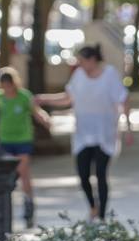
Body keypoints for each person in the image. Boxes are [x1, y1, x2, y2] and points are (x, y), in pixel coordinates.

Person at [40, 44, 132, 220]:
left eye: (81, 61)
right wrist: (44, 99)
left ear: (92, 60)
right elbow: (68, 98)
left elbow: (124, 99)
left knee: (101, 174)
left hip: (104, 133)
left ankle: (103, 216)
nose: (79, 64)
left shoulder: (110, 74)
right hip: (83, 134)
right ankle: (92, 206)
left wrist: (127, 127)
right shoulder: (79, 75)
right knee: (83, 175)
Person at [0, 68, 51, 228]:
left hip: (22, 140)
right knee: (6, 177)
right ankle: (4, 207)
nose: (7, 89)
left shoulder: (24, 96)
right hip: (4, 140)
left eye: (9, 85)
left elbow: (36, 112)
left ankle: (28, 204)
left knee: (23, 172)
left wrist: (45, 121)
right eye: (4, 86)